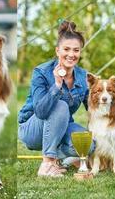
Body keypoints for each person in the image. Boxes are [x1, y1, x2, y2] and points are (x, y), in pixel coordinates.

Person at [18, 20, 93, 177]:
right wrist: (57, 86)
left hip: (61, 126)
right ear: (58, 50)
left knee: (89, 144)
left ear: (80, 52)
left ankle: (63, 159)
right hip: (33, 129)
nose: (71, 54)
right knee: (61, 105)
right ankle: (47, 164)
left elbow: (93, 109)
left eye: (76, 50)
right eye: (66, 49)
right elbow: (40, 111)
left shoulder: (83, 76)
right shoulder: (41, 72)